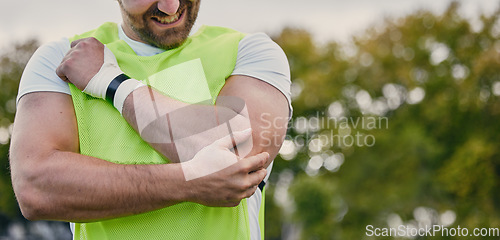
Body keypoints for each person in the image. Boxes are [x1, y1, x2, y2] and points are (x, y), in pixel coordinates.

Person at [9, 0, 291, 239]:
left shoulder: (250, 52)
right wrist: (187, 182)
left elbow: (238, 159)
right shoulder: (62, 59)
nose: (171, 6)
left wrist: (113, 83)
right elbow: (36, 188)